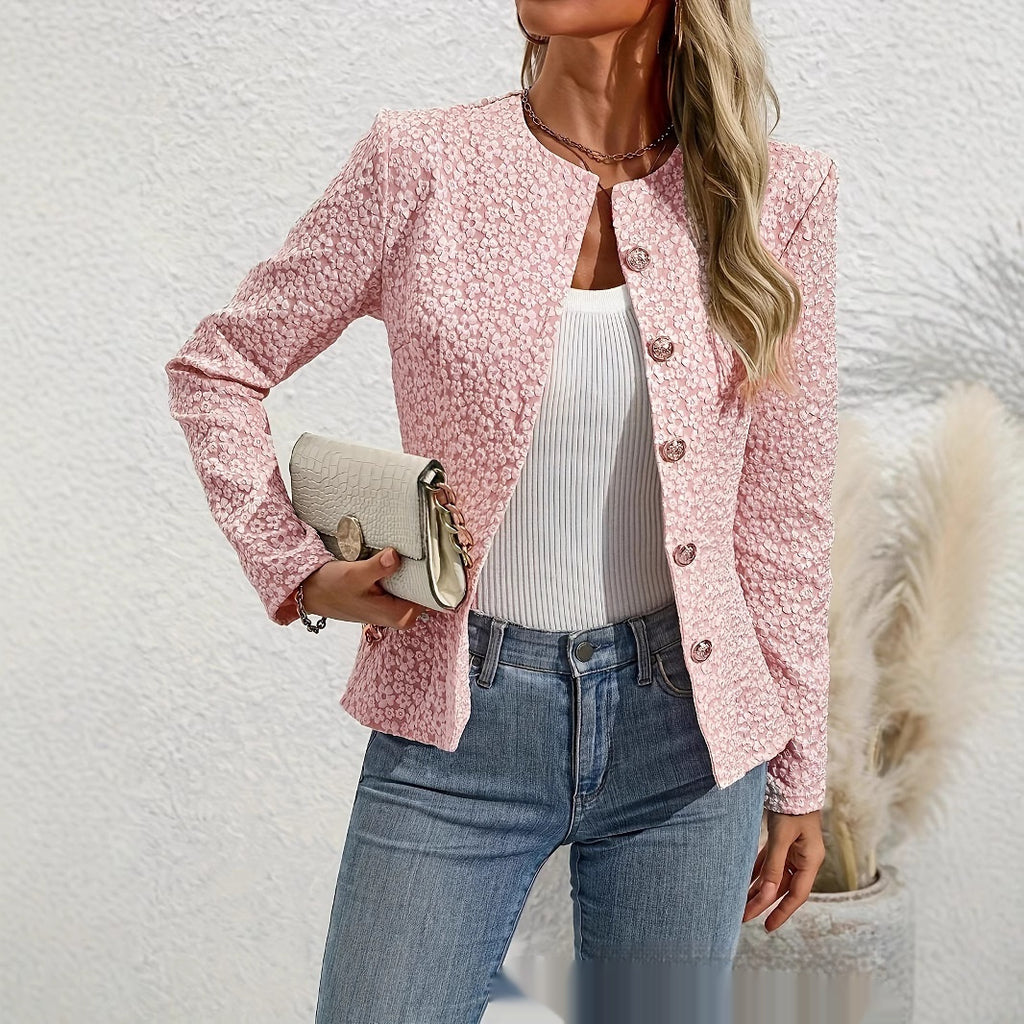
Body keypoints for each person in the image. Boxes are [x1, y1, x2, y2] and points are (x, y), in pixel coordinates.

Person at [164, 1, 839, 1021]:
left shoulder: (775, 194)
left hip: (691, 744)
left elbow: (782, 517)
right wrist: (294, 567)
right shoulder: (419, 163)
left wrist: (798, 774)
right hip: (458, 725)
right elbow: (218, 367)